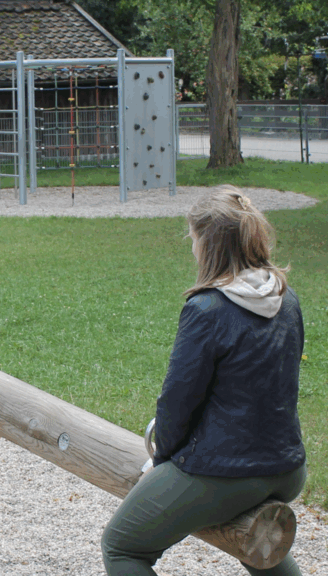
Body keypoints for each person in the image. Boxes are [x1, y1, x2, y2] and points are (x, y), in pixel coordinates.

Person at [101, 185, 307, 576]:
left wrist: (162, 460)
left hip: (227, 471)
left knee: (121, 546)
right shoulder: (287, 298)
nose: (192, 248)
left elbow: (178, 402)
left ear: (208, 245)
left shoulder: (207, 309)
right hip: (287, 467)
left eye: (194, 238)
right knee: (259, 546)